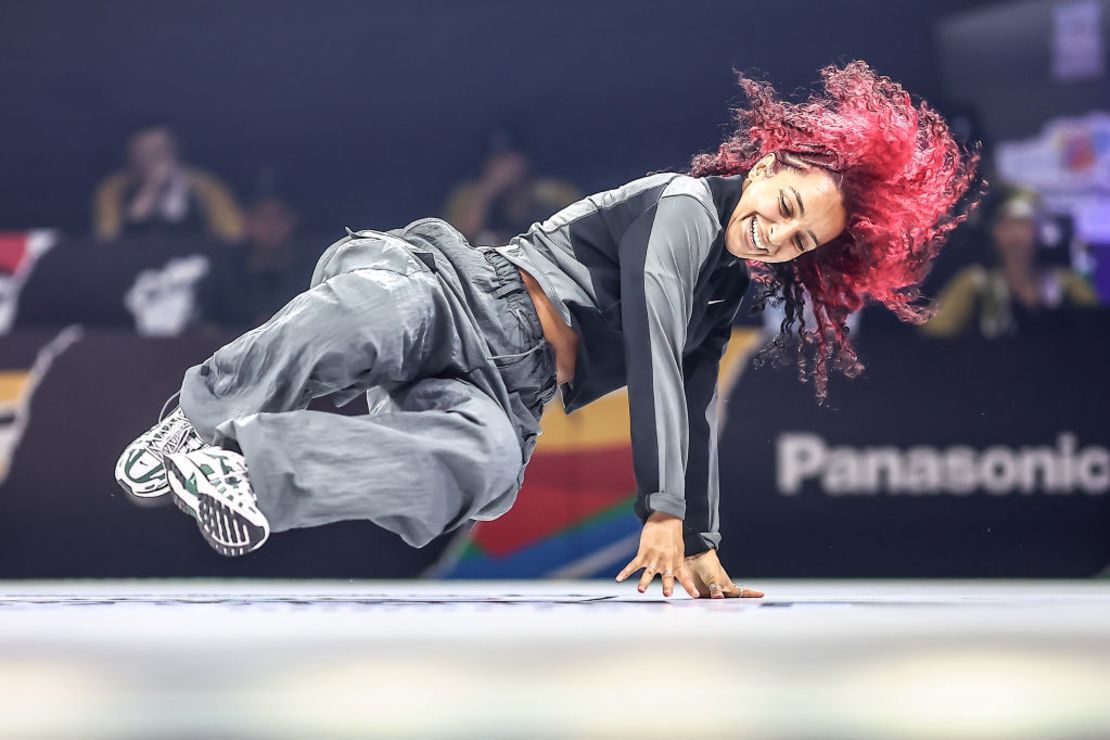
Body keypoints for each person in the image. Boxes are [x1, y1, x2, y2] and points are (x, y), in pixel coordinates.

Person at [114, 61, 980, 599]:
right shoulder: (682, 206)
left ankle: (244, 478)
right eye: (785, 208)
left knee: (489, 469)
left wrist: (705, 541)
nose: (777, 236)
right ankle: (197, 418)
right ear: (769, 163)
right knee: (372, 314)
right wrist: (663, 512)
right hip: (454, 290)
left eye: (799, 241)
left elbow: (691, 397)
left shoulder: (726, 288)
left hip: (506, 389)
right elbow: (647, 340)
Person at [922, 189, 1098, 339]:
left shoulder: (1067, 285)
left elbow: (1100, 331)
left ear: (1042, 232)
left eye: (1024, 225)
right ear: (994, 232)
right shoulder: (974, 285)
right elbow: (934, 334)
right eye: (1008, 225)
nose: (1016, 235)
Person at [92, 123, 244, 243]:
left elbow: (234, 235)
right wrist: (148, 194)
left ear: (176, 151)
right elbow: (106, 241)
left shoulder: (205, 187)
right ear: (131, 159)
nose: (156, 160)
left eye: (161, 151)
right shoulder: (114, 189)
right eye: (145, 154)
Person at [443, 127, 581, 245]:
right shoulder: (470, 195)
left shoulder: (553, 192)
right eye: (496, 160)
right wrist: (488, 190)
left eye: (510, 159)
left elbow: (581, 230)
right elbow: (457, 243)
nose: (504, 167)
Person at [198, 195, 316, 330]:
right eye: (262, 218)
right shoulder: (225, 268)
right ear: (247, 221)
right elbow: (207, 322)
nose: (271, 226)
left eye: (279, 218)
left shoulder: (311, 268)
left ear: (293, 220)